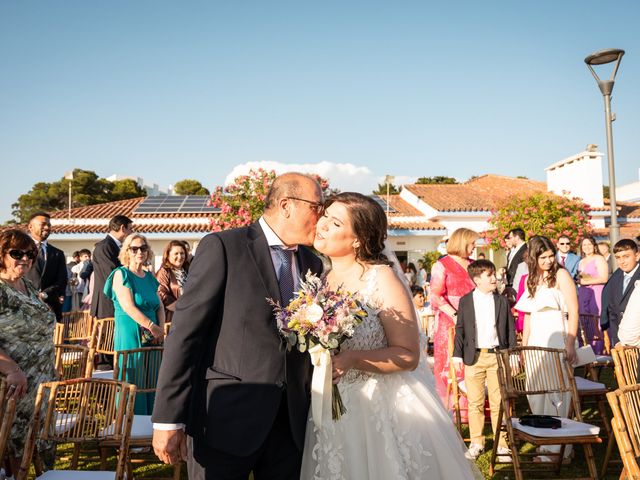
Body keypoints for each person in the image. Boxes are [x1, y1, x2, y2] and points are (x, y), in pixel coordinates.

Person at [152, 173, 324, 479]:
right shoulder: (224, 247)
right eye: (317, 207)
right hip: (224, 421)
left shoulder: (314, 263)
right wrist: (168, 419)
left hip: (291, 425)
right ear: (286, 205)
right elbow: (185, 335)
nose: (322, 217)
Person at [301, 192, 480, 479]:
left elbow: (408, 355)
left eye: (334, 223)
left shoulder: (381, 278)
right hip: (331, 405)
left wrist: (353, 359)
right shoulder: (321, 278)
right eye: (324, 216)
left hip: (379, 408)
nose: (321, 225)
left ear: (357, 238)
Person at [515, 235, 579, 462]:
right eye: (543, 257)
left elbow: (573, 309)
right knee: (536, 390)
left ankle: (560, 450)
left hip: (557, 336)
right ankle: (544, 442)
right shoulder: (530, 279)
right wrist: (524, 348)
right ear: (533, 257)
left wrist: (570, 343)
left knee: (557, 392)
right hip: (537, 339)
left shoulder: (561, 275)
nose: (548, 261)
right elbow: (529, 317)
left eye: (551, 255)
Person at [0, 229, 56, 472]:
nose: (25, 258)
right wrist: (12, 369)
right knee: (10, 450)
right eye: (16, 253)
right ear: (1, 255)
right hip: (13, 385)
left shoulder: (29, 285)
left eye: (30, 253)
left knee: (37, 445)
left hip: (41, 382)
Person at [452, 259, 516, 460]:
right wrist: (457, 354)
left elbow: (510, 330)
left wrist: (512, 355)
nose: (494, 278)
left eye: (494, 274)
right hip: (474, 357)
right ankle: (477, 442)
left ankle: (502, 444)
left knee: (499, 402)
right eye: (489, 275)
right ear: (477, 279)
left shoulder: (501, 301)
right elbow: (460, 329)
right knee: (475, 402)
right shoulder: (465, 301)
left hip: (496, 355)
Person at [104, 233, 165, 415]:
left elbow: (159, 306)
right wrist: (152, 327)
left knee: (153, 376)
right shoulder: (120, 274)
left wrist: (160, 330)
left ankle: (151, 425)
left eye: (143, 248)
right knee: (134, 377)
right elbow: (128, 307)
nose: (140, 252)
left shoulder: (149, 277)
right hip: (131, 331)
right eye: (135, 248)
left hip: (153, 334)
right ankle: (130, 426)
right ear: (127, 252)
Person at [430, 227, 478, 408]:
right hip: (450, 322)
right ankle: (451, 409)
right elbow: (435, 295)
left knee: (472, 364)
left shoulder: (474, 265)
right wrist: (455, 315)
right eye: (472, 243)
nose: (474, 247)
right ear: (463, 242)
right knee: (451, 366)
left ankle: (471, 408)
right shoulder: (442, 265)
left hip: (474, 321)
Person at [23, 212, 67, 320]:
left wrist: (45, 294)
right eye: (43, 224)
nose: (47, 227)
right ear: (30, 227)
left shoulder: (57, 253)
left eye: (49, 225)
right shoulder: (20, 251)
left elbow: (61, 280)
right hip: (24, 306)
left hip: (50, 308)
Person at [91, 214, 133, 320]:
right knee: (108, 336)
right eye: (130, 229)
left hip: (117, 301)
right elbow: (112, 274)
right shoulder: (104, 247)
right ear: (123, 228)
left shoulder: (118, 246)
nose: (132, 233)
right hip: (107, 304)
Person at [601, 239, 640, 348]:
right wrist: (617, 340)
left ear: (637, 256)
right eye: (618, 258)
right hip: (622, 341)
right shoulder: (615, 278)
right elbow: (613, 311)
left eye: (626, 256)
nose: (622, 261)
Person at [155, 240, 190, 324]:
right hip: (172, 317)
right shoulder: (164, 271)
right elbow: (161, 293)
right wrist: (181, 308)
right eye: (176, 254)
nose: (180, 256)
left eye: (182, 253)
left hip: (189, 315)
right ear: (168, 255)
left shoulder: (188, 270)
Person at [577, 236, 609, 316]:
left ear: (594, 246)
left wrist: (583, 282)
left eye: (589, 244)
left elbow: (604, 279)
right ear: (581, 247)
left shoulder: (599, 258)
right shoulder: (581, 261)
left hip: (596, 292)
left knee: (596, 317)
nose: (587, 247)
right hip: (583, 292)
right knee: (585, 319)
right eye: (584, 245)